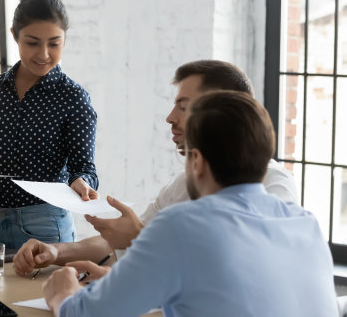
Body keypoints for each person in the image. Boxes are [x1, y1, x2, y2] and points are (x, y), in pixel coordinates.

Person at [42, 91, 337, 316]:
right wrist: (124, 281)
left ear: (197, 161)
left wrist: (62, 293)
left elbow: (85, 313)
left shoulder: (182, 225)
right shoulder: (306, 224)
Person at [13, 60, 298, 275]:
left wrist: (138, 239)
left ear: (223, 114)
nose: (170, 118)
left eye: (184, 107)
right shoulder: (183, 186)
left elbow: (238, 265)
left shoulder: (273, 186)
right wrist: (54, 251)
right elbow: (118, 243)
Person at [0, 0, 99, 249]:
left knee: (46, 292)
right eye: (33, 42)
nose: (44, 54)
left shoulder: (73, 97)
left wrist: (81, 182)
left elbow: (84, 167)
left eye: (54, 43)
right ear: (15, 35)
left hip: (46, 224)